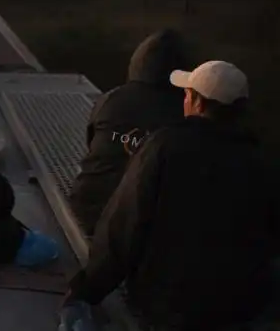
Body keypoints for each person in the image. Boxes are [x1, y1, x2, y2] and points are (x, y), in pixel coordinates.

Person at [61, 61, 280, 331]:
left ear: (197, 103)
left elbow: (124, 224)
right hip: (242, 307)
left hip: (169, 306)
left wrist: (86, 290)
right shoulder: (262, 161)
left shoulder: (163, 146)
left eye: (187, 94)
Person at [69, 29, 191, 235]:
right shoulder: (185, 111)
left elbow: (91, 144)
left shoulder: (110, 99)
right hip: (144, 227)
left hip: (89, 210)